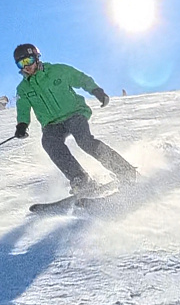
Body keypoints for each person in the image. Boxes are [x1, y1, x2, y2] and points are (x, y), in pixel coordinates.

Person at [12, 43, 136, 195]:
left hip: (74, 113)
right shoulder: (23, 88)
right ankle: (81, 180)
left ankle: (125, 170)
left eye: (29, 60)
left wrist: (96, 91)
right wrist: (22, 125)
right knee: (49, 143)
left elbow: (80, 78)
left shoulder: (58, 71)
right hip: (52, 124)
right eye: (21, 63)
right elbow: (23, 107)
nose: (26, 66)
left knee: (84, 141)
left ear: (37, 58)